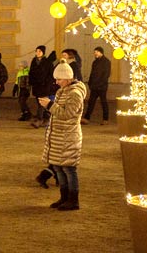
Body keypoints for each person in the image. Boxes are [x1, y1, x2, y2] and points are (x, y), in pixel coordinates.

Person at [39, 61, 87, 211]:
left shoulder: (75, 93)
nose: (56, 82)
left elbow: (67, 114)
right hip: (59, 136)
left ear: (67, 78)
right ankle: (64, 197)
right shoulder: (62, 91)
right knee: (58, 168)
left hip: (68, 137)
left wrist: (49, 105)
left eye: (59, 79)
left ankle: (73, 200)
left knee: (69, 169)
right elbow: (59, 113)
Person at [28, 46, 55, 127]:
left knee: (41, 103)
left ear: (43, 52)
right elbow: (31, 72)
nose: (38, 52)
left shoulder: (47, 62)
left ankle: (39, 120)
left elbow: (50, 74)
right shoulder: (34, 61)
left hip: (44, 86)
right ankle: (46, 117)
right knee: (39, 102)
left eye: (40, 51)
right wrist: (31, 82)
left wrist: (48, 83)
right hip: (36, 86)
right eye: (37, 51)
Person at [83, 46, 111, 124]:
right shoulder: (95, 62)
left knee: (103, 102)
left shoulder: (106, 62)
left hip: (102, 86)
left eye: (96, 52)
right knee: (91, 102)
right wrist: (90, 82)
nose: (95, 54)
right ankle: (86, 118)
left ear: (100, 52)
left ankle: (105, 119)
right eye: (94, 52)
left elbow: (106, 74)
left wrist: (101, 83)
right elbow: (92, 73)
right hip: (94, 86)